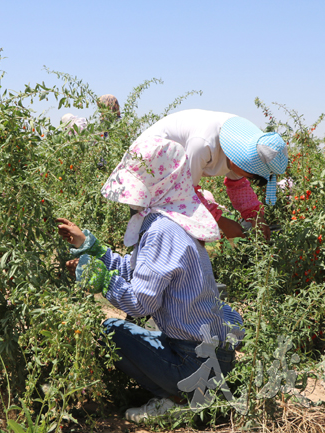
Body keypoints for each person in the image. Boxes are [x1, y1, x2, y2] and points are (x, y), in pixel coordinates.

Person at [56, 137, 244, 423]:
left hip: (192, 361)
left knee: (112, 330)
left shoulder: (161, 231)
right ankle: (193, 390)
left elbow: (140, 302)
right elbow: (137, 273)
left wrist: (100, 279)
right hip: (213, 355)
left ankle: (180, 399)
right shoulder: (176, 220)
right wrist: (91, 248)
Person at [135, 109, 289, 240]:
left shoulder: (245, 147)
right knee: (153, 232)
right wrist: (221, 222)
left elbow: (238, 185)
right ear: (240, 162)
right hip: (148, 168)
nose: (247, 178)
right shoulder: (203, 144)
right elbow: (185, 194)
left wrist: (256, 216)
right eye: (250, 175)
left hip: (174, 180)